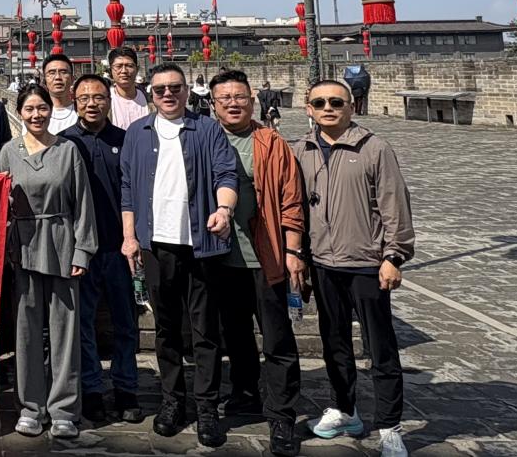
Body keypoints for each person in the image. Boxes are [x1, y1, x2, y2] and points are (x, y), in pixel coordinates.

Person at [120, 62, 238, 448]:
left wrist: (224, 209)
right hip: (156, 244)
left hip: (201, 244)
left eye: (175, 88)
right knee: (167, 328)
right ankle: (173, 401)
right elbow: (127, 188)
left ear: (187, 90)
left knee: (205, 330)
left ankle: (207, 406)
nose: (168, 94)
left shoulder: (206, 129)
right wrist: (129, 237)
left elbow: (225, 174)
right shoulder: (138, 133)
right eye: (160, 90)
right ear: (150, 94)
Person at [295, 80, 414, 457]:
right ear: (308, 109)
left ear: (351, 106)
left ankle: (390, 425)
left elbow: (395, 205)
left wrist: (394, 256)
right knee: (335, 343)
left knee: (381, 347)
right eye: (319, 103)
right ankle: (345, 410)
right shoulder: (302, 150)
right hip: (323, 263)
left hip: (366, 263)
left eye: (336, 102)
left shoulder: (374, 148)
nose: (327, 108)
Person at [208, 71, 304, 457]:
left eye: (240, 97)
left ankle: (282, 415)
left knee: (277, 337)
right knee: (235, 333)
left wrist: (294, 251)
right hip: (220, 258)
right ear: (213, 104)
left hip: (266, 255)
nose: (233, 103)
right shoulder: (205, 139)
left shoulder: (270, 142)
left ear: (252, 100)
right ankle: (245, 392)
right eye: (225, 98)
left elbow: (292, 199)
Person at [0, 84, 97, 440]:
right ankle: (30, 407)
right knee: (25, 332)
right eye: (29, 109)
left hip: (61, 244)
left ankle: (64, 409)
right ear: (20, 113)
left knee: (64, 332)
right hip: (22, 247)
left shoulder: (68, 151)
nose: (36, 115)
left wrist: (83, 250)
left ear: (50, 111)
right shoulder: (8, 152)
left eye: (41, 108)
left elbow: (82, 204)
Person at [59, 74, 141, 425]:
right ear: (75, 102)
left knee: (126, 322)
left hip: (120, 246)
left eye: (98, 97)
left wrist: (134, 238)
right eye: (84, 98)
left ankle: (126, 388)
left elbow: (136, 190)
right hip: (81, 249)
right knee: (84, 323)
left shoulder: (126, 140)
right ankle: (91, 388)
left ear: (109, 101)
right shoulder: (64, 143)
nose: (91, 104)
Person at [107, 47, 149, 130]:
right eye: (118, 66)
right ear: (110, 70)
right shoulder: (104, 102)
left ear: (137, 69)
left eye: (129, 66)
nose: (124, 71)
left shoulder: (151, 101)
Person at [42, 56, 78, 135]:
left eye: (63, 72)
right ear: (44, 80)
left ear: (72, 79)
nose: (58, 77)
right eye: (52, 73)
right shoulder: (37, 115)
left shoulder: (82, 112)